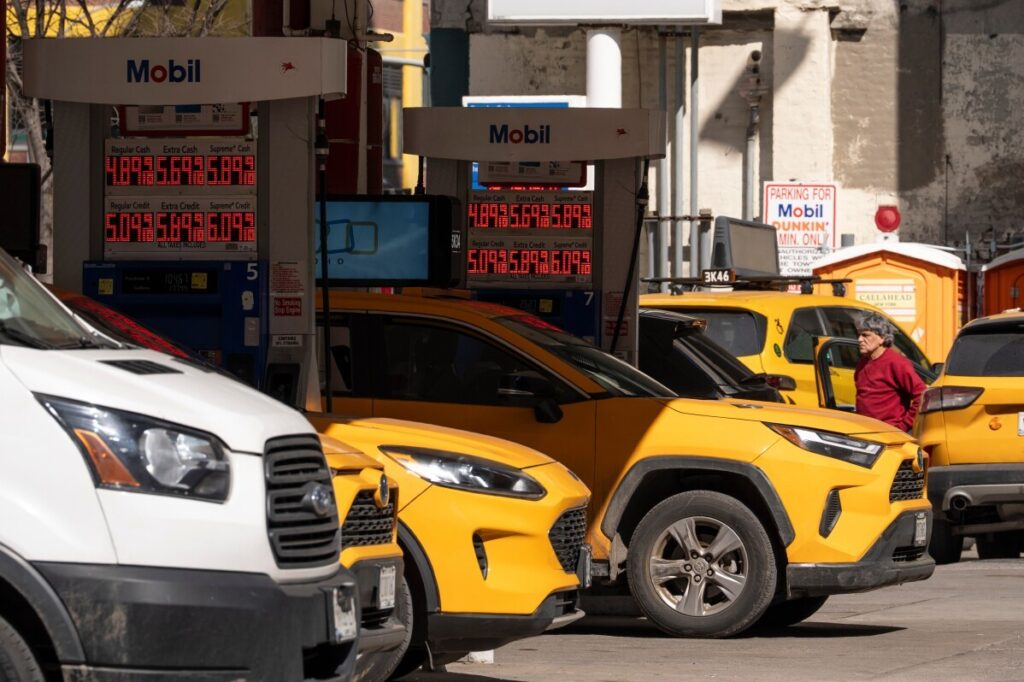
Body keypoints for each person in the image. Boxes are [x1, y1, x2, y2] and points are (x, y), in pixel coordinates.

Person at [854, 312, 926, 431]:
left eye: (865, 335)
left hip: (888, 433)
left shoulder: (897, 363)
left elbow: (922, 395)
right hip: (863, 432)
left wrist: (902, 426)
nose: (859, 339)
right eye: (859, 335)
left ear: (882, 338)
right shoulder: (862, 363)